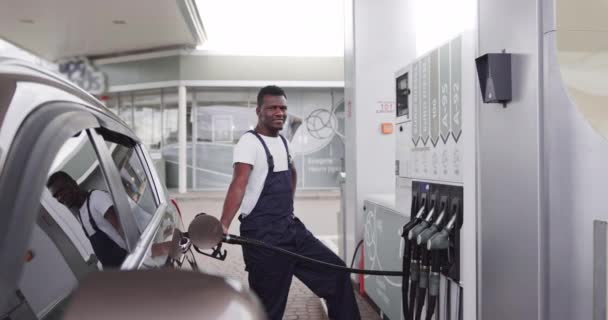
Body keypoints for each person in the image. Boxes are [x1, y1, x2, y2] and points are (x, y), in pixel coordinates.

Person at [220, 85, 361, 320]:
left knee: (336, 274)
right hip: (263, 239)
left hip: (291, 230)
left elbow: (291, 172)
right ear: (258, 111)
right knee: (268, 310)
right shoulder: (249, 143)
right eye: (272, 108)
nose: (279, 112)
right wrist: (223, 225)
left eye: (283, 108)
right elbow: (239, 183)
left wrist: (288, 207)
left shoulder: (284, 142)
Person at [47, 171, 127, 268]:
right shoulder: (80, 214)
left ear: (73, 183)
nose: (60, 197)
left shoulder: (97, 198)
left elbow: (126, 232)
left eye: (62, 191)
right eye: (56, 196)